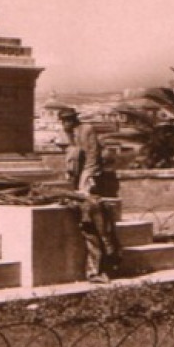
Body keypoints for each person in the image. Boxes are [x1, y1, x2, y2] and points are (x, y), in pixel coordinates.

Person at [55, 105, 122, 281]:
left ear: (73, 119)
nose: (65, 124)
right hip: (76, 179)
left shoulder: (87, 130)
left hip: (89, 179)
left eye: (67, 120)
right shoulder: (68, 134)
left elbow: (92, 157)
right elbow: (72, 158)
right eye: (63, 121)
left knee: (95, 222)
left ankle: (100, 269)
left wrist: (86, 181)